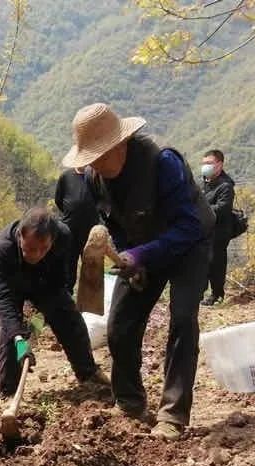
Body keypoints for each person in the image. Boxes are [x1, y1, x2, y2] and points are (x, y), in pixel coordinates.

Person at [64, 103, 214, 441]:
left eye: (98, 155)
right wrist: (127, 257)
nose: (93, 164)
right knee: (120, 324)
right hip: (141, 250)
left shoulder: (163, 163)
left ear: (120, 145)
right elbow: (113, 222)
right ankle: (130, 403)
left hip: (189, 246)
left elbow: (189, 227)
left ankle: (172, 414)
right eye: (89, 158)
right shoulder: (94, 179)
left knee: (182, 321)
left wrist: (140, 253)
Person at [0, 208, 107, 398]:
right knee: (10, 335)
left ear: (53, 240)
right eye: (31, 249)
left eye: (44, 249)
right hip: (12, 284)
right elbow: (4, 300)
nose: (37, 255)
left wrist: (40, 319)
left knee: (70, 319)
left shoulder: (64, 236)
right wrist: (20, 340)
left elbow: (61, 282)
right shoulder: (3, 249)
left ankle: (88, 373)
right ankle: (9, 391)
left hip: (45, 283)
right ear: (20, 236)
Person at [54, 166, 101, 291]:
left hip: (91, 233)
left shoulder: (95, 176)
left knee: (91, 270)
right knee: (68, 269)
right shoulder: (65, 176)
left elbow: (101, 200)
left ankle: (88, 304)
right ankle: (66, 300)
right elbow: (58, 200)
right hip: (69, 231)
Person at [200, 149, 236, 306]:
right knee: (202, 263)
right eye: (204, 163)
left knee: (216, 263)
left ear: (219, 165)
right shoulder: (205, 182)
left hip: (219, 232)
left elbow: (223, 208)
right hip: (204, 231)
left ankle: (217, 295)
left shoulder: (225, 186)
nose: (205, 167)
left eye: (209, 163)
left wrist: (201, 209)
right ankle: (199, 293)